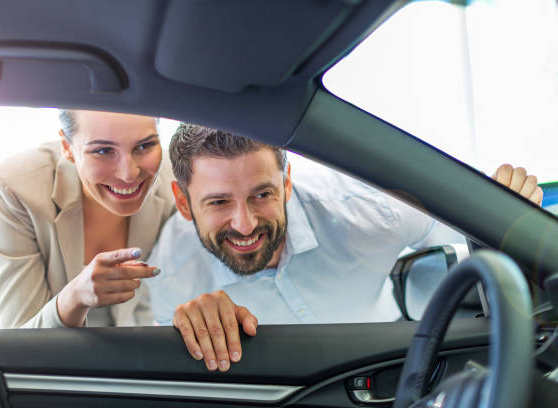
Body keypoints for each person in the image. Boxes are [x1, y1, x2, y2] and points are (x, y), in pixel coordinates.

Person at [146, 123, 543, 372]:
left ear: (286, 183)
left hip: (404, 367)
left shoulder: (370, 212)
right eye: (218, 202)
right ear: (183, 202)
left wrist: (507, 212)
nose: (245, 223)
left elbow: (475, 232)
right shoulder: (171, 278)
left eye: (262, 194)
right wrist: (192, 329)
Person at [0, 110, 175, 329]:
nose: (128, 174)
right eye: (103, 150)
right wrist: (74, 298)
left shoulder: (178, 181)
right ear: (67, 147)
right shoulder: (15, 188)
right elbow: (17, 344)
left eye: (144, 146)